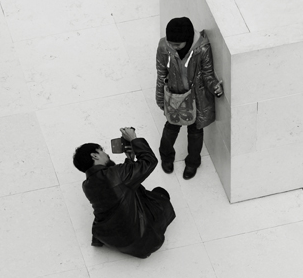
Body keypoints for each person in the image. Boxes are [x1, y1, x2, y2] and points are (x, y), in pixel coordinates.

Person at [73, 127, 176, 259]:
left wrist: (130, 161)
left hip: (111, 239)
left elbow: (119, 186)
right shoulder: (115, 174)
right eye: (102, 151)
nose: (106, 154)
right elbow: (149, 161)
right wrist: (134, 139)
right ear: (94, 155)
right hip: (144, 242)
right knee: (160, 193)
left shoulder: (86, 185)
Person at [155, 17, 223, 180]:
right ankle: (166, 157)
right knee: (170, 129)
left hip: (196, 99)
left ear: (187, 40)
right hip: (173, 97)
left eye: (177, 44)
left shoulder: (202, 48)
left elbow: (207, 73)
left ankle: (193, 163)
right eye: (170, 43)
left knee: (195, 132)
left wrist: (215, 87)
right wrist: (160, 97)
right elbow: (161, 73)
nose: (172, 47)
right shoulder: (164, 46)